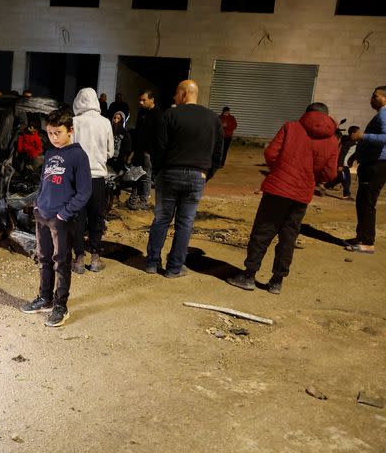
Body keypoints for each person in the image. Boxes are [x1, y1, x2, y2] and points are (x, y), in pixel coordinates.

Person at [227, 103, 338, 293]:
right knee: (289, 236)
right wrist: (312, 177)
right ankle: (276, 281)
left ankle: (249, 275)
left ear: (307, 113)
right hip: (302, 194)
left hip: (277, 189)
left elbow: (271, 153)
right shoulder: (332, 140)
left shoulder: (291, 127)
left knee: (263, 232)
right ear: (327, 117)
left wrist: (279, 170)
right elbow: (329, 173)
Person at [20, 108, 91, 327]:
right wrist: (37, 205)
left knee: (61, 262)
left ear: (70, 130)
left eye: (57, 132)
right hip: (42, 215)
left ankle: (61, 306)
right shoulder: (51, 153)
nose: (53, 137)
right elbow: (44, 181)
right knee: (43, 258)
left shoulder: (78, 155)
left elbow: (84, 192)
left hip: (61, 218)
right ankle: (45, 298)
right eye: (50, 133)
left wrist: (64, 213)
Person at [145, 80, 223, 278]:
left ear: (184, 93)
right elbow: (218, 153)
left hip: (170, 173)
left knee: (162, 219)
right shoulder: (213, 119)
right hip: (197, 176)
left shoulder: (170, 115)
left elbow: (158, 147)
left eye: (176, 93)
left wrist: (159, 172)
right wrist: (207, 174)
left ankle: (152, 263)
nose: (173, 97)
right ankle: (174, 268)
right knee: (185, 223)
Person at [71, 88, 114, 273]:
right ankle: (96, 258)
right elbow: (110, 152)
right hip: (98, 178)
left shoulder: (74, 122)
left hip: (78, 178)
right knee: (97, 217)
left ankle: (79, 259)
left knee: (78, 218)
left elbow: (69, 149)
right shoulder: (105, 122)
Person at [346, 86, 386, 254]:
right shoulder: (381, 114)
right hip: (372, 163)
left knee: (367, 202)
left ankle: (367, 243)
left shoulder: (384, 113)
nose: (371, 99)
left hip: (377, 165)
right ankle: (361, 237)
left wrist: (362, 136)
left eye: (375, 96)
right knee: (362, 201)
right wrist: (357, 154)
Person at [127, 90, 163, 210]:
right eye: (140, 100)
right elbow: (138, 132)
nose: (141, 102)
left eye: (144, 100)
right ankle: (133, 198)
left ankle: (144, 200)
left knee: (146, 176)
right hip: (139, 150)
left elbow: (158, 135)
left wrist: (151, 151)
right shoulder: (141, 112)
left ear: (151, 100)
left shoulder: (157, 114)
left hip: (148, 152)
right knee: (136, 174)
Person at [323, 125, 360, 200]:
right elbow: (342, 153)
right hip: (343, 164)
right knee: (347, 179)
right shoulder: (348, 142)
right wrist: (340, 165)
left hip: (345, 164)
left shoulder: (355, 142)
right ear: (353, 133)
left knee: (339, 179)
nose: (360, 133)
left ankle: (324, 187)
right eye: (358, 132)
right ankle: (346, 195)